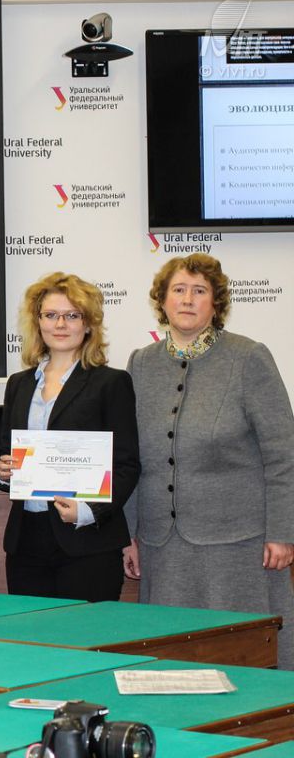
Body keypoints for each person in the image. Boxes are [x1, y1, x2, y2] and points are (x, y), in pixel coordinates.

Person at [123, 253, 294, 669]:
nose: (187, 299)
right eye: (178, 290)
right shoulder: (140, 363)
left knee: (244, 655)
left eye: (199, 291)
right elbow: (130, 457)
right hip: (162, 546)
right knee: (171, 659)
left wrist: (283, 532)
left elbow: (283, 453)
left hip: (238, 546)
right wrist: (128, 534)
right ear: (162, 301)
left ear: (215, 303)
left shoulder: (249, 357)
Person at [0, 272, 139, 602]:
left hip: (87, 540)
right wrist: (4, 471)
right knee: (31, 634)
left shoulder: (111, 383)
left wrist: (87, 511)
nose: (60, 324)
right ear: (38, 322)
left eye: (72, 315)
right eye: (50, 315)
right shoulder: (19, 384)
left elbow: (127, 465)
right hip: (26, 541)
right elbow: (7, 452)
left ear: (88, 324)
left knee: (85, 634)